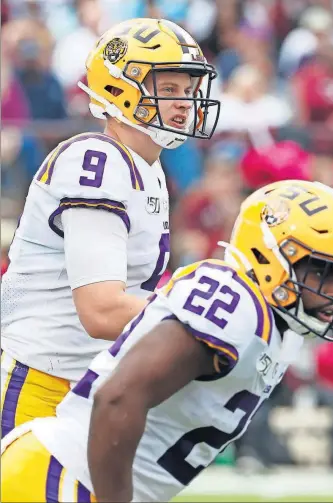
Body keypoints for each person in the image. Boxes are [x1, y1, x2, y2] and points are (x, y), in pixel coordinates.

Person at [1, 180, 333, 503]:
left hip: (80, 480)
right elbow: (119, 397)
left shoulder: (276, 330)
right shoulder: (234, 301)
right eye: (319, 271)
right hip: (61, 477)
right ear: (267, 255)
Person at [0, 17, 220, 437]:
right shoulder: (95, 161)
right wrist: (200, 318)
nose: (184, 103)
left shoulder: (147, 167)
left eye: (189, 92)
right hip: (39, 383)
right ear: (120, 89)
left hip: (86, 384)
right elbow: (101, 311)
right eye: (168, 89)